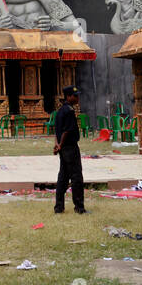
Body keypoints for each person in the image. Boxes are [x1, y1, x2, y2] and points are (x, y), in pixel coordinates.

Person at [52, 86, 85, 214]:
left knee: (63, 178)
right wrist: (60, 144)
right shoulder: (69, 111)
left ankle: (59, 207)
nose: (77, 98)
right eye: (75, 96)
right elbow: (66, 130)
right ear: (68, 97)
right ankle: (79, 207)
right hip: (70, 147)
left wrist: (57, 145)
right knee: (76, 177)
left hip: (63, 148)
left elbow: (56, 131)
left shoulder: (59, 111)